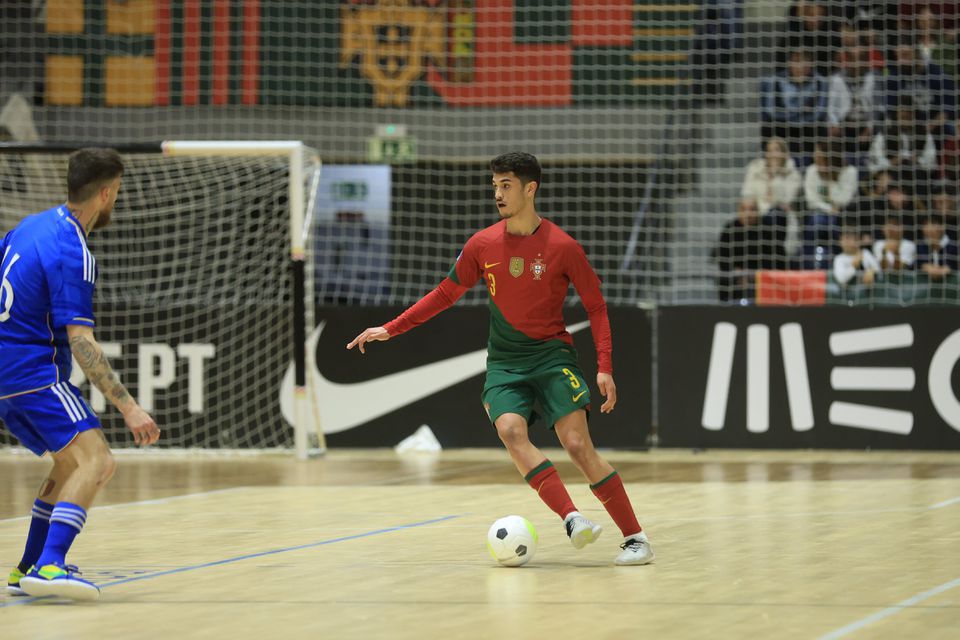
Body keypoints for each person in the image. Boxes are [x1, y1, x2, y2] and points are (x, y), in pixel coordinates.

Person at [346, 152, 653, 566]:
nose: (497, 194)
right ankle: (572, 518)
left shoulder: (563, 247)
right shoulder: (482, 244)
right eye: (494, 186)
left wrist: (604, 366)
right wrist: (392, 327)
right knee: (510, 430)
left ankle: (636, 538)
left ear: (530, 189)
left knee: (578, 445)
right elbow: (445, 294)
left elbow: (597, 307)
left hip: (552, 356)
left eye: (505, 185)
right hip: (506, 361)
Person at [1, 148, 160, 601]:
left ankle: (28, 566)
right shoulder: (73, 249)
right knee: (99, 461)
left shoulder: (28, 225)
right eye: (118, 194)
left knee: (69, 462)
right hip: (33, 372)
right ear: (107, 193)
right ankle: (51, 566)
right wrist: (130, 409)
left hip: (6, 376)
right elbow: (82, 343)